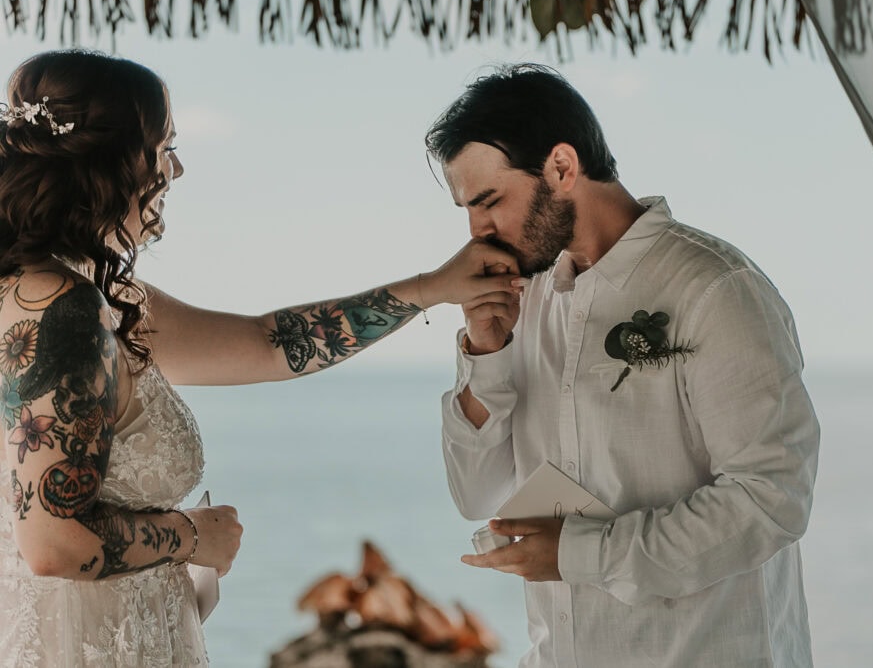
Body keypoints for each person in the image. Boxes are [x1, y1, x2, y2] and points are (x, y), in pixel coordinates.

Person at [0, 49, 519, 667]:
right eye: (164, 148)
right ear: (111, 164)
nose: (178, 169)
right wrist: (193, 537)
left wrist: (429, 289)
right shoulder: (58, 309)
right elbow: (53, 542)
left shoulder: (102, 299)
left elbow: (268, 343)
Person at [428, 63, 821, 667]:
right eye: (468, 209)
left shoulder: (715, 289)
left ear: (562, 167)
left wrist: (578, 554)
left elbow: (771, 499)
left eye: (489, 202)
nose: (478, 231)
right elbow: (477, 494)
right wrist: (486, 352)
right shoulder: (522, 300)